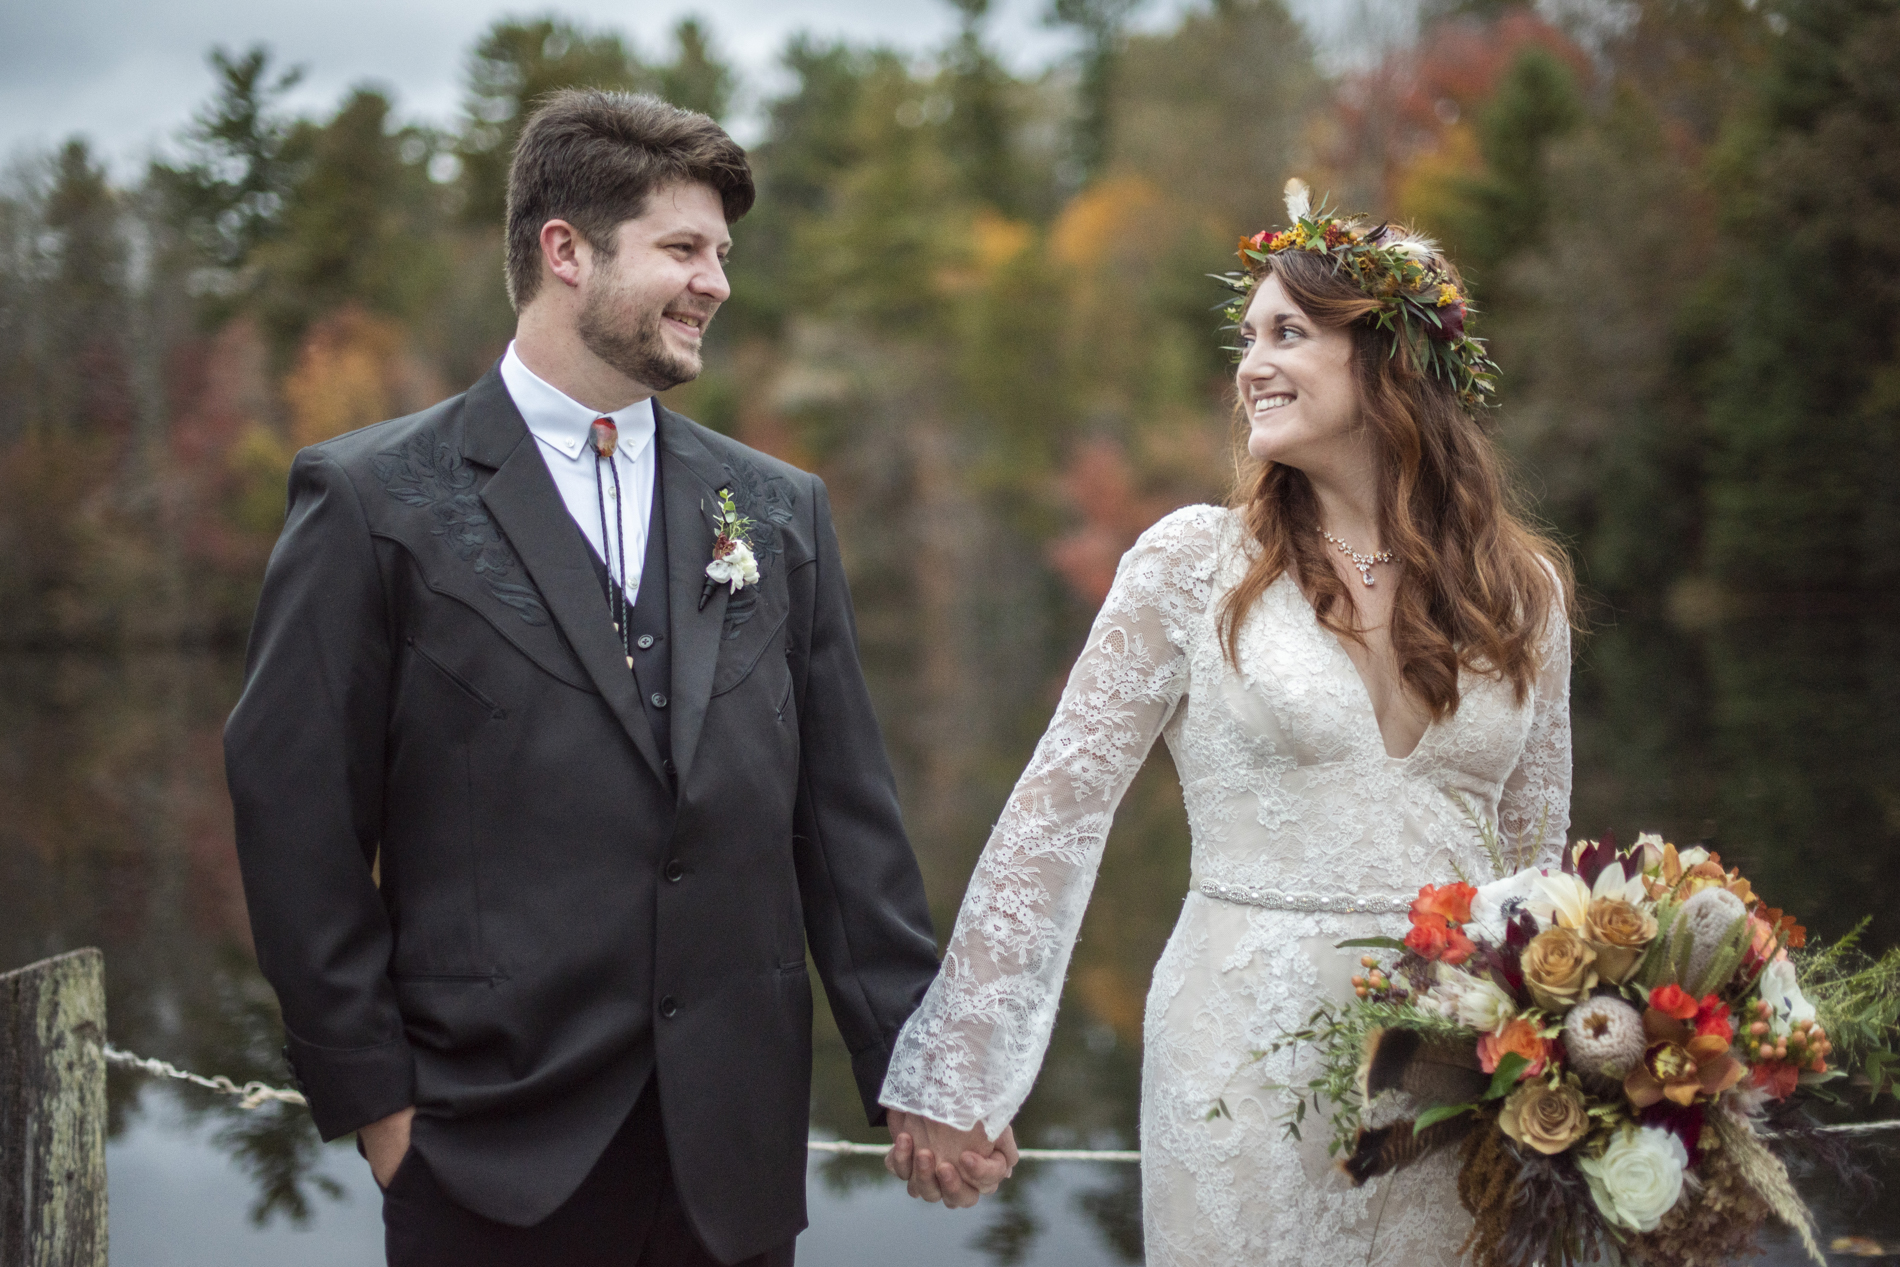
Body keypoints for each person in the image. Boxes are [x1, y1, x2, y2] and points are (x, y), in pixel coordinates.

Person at [224, 90, 1003, 1267]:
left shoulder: (778, 511)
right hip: (486, 1144)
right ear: (566, 251)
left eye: (722, 254)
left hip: (731, 1156)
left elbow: (845, 826)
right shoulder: (372, 501)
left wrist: (922, 1064)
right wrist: (379, 1105)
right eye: (684, 249)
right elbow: (294, 815)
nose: (717, 283)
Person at [878, 181, 1575, 1263]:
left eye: (1289, 333)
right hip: (1243, 1055)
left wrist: (1577, 1061)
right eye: (1246, 335)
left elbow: (1535, 869)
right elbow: (1054, 817)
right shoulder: (1190, 564)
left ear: (1391, 362)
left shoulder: (1522, 591)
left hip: (1458, 1070)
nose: (1250, 364)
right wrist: (964, 1066)